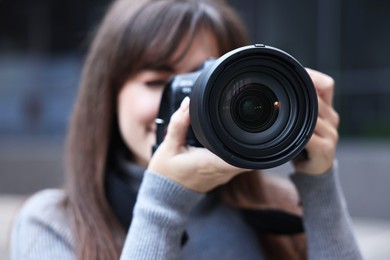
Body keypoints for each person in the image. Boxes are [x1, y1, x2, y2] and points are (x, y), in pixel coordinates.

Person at [11, 0, 363, 259]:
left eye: (206, 81)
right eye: (158, 81)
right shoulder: (51, 224)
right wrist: (164, 201)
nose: (186, 106)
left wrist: (319, 183)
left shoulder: (279, 208)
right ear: (108, 95)